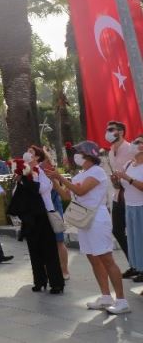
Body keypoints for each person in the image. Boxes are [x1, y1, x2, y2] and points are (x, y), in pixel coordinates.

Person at [45, 141, 130, 314]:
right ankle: (106, 296)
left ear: (89, 155)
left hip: (97, 219)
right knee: (93, 258)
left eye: (79, 153)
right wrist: (54, 181)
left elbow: (81, 191)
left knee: (106, 259)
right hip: (84, 220)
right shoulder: (81, 173)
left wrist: (61, 178)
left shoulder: (97, 172)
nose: (76, 156)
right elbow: (67, 195)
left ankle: (121, 300)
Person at [8, 147, 64, 294]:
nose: (28, 155)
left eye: (32, 153)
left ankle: (56, 283)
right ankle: (39, 280)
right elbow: (16, 194)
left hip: (44, 214)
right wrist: (21, 177)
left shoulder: (42, 172)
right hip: (30, 216)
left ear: (38, 158)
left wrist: (29, 175)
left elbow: (43, 189)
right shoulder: (22, 173)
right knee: (34, 250)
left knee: (49, 250)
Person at [106, 120, 137, 278]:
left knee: (136, 232)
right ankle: (134, 264)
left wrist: (127, 178)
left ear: (121, 132)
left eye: (112, 129)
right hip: (119, 194)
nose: (108, 132)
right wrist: (115, 180)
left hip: (134, 195)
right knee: (117, 230)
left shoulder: (131, 148)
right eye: (107, 129)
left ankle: (139, 266)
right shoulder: (110, 151)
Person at [113, 140, 143, 289]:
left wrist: (127, 178)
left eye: (139, 142)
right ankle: (138, 269)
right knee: (134, 242)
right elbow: (120, 186)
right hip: (130, 207)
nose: (135, 144)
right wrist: (116, 181)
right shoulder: (129, 165)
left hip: (141, 208)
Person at [41, 151, 71, 280]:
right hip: (41, 212)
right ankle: (48, 270)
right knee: (45, 242)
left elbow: (63, 195)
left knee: (59, 241)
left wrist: (56, 181)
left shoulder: (50, 173)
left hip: (54, 211)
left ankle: (64, 270)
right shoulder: (34, 172)